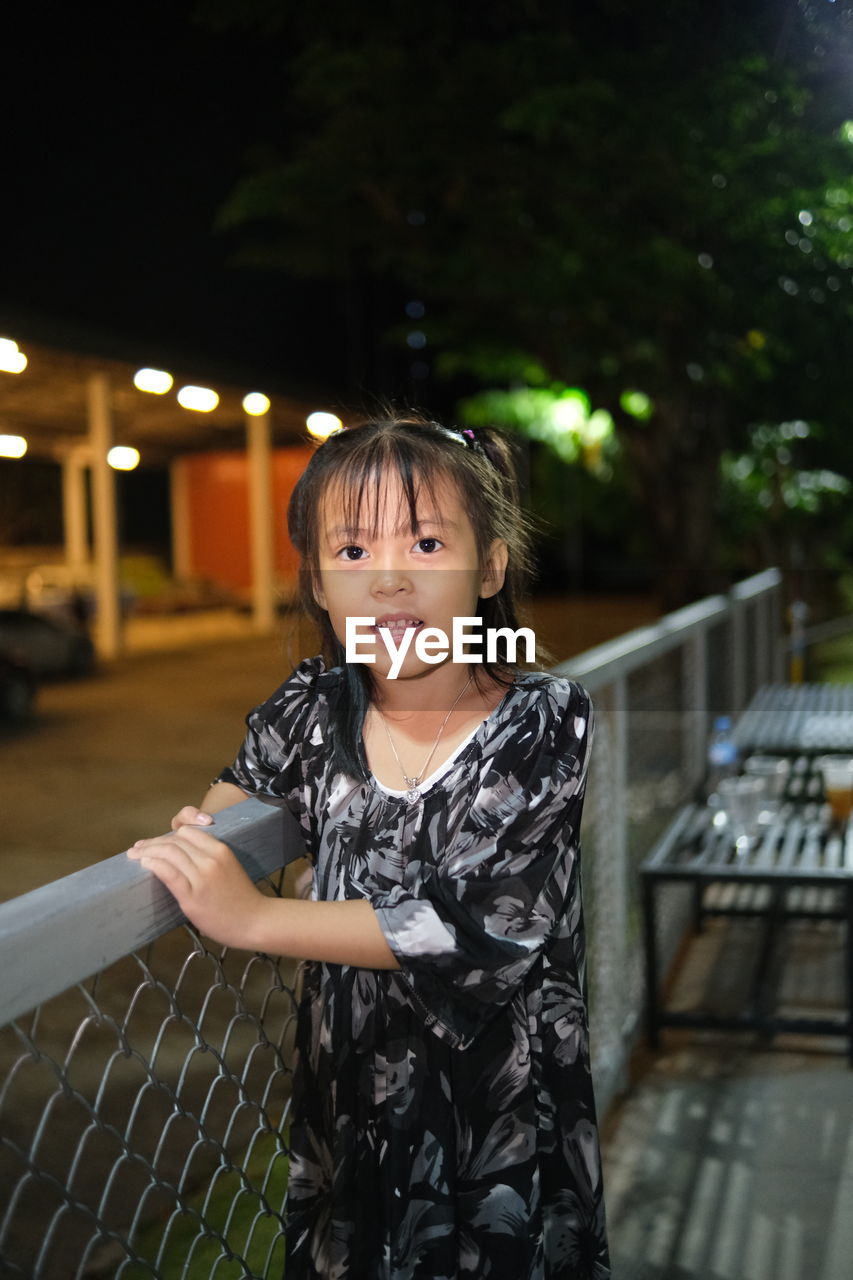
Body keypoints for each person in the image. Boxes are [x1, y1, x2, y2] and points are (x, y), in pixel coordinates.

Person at [128, 415, 610, 1279]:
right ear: (315, 581)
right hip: (352, 1102)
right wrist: (201, 836)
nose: (387, 578)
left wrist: (254, 916)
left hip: (495, 1115)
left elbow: (474, 930)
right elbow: (232, 796)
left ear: (489, 564)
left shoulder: (544, 720)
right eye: (352, 553)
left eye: (426, 543)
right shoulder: (315, 704)